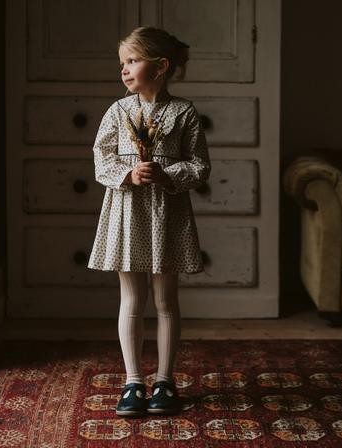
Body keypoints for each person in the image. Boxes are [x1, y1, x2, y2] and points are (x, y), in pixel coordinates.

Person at [88, 26, 210, 417]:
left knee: (165, 300)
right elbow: (101, 157)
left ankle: (165, 381)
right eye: (122, 63)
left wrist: (167, 174)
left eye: (132, 61)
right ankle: (133, 381)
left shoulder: (184, 113)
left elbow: (200, 165)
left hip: (168, 216)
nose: (124, 69)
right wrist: (129, 174)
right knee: (132, 299)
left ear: (160, 67)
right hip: (128, 214)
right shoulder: (118, 111)